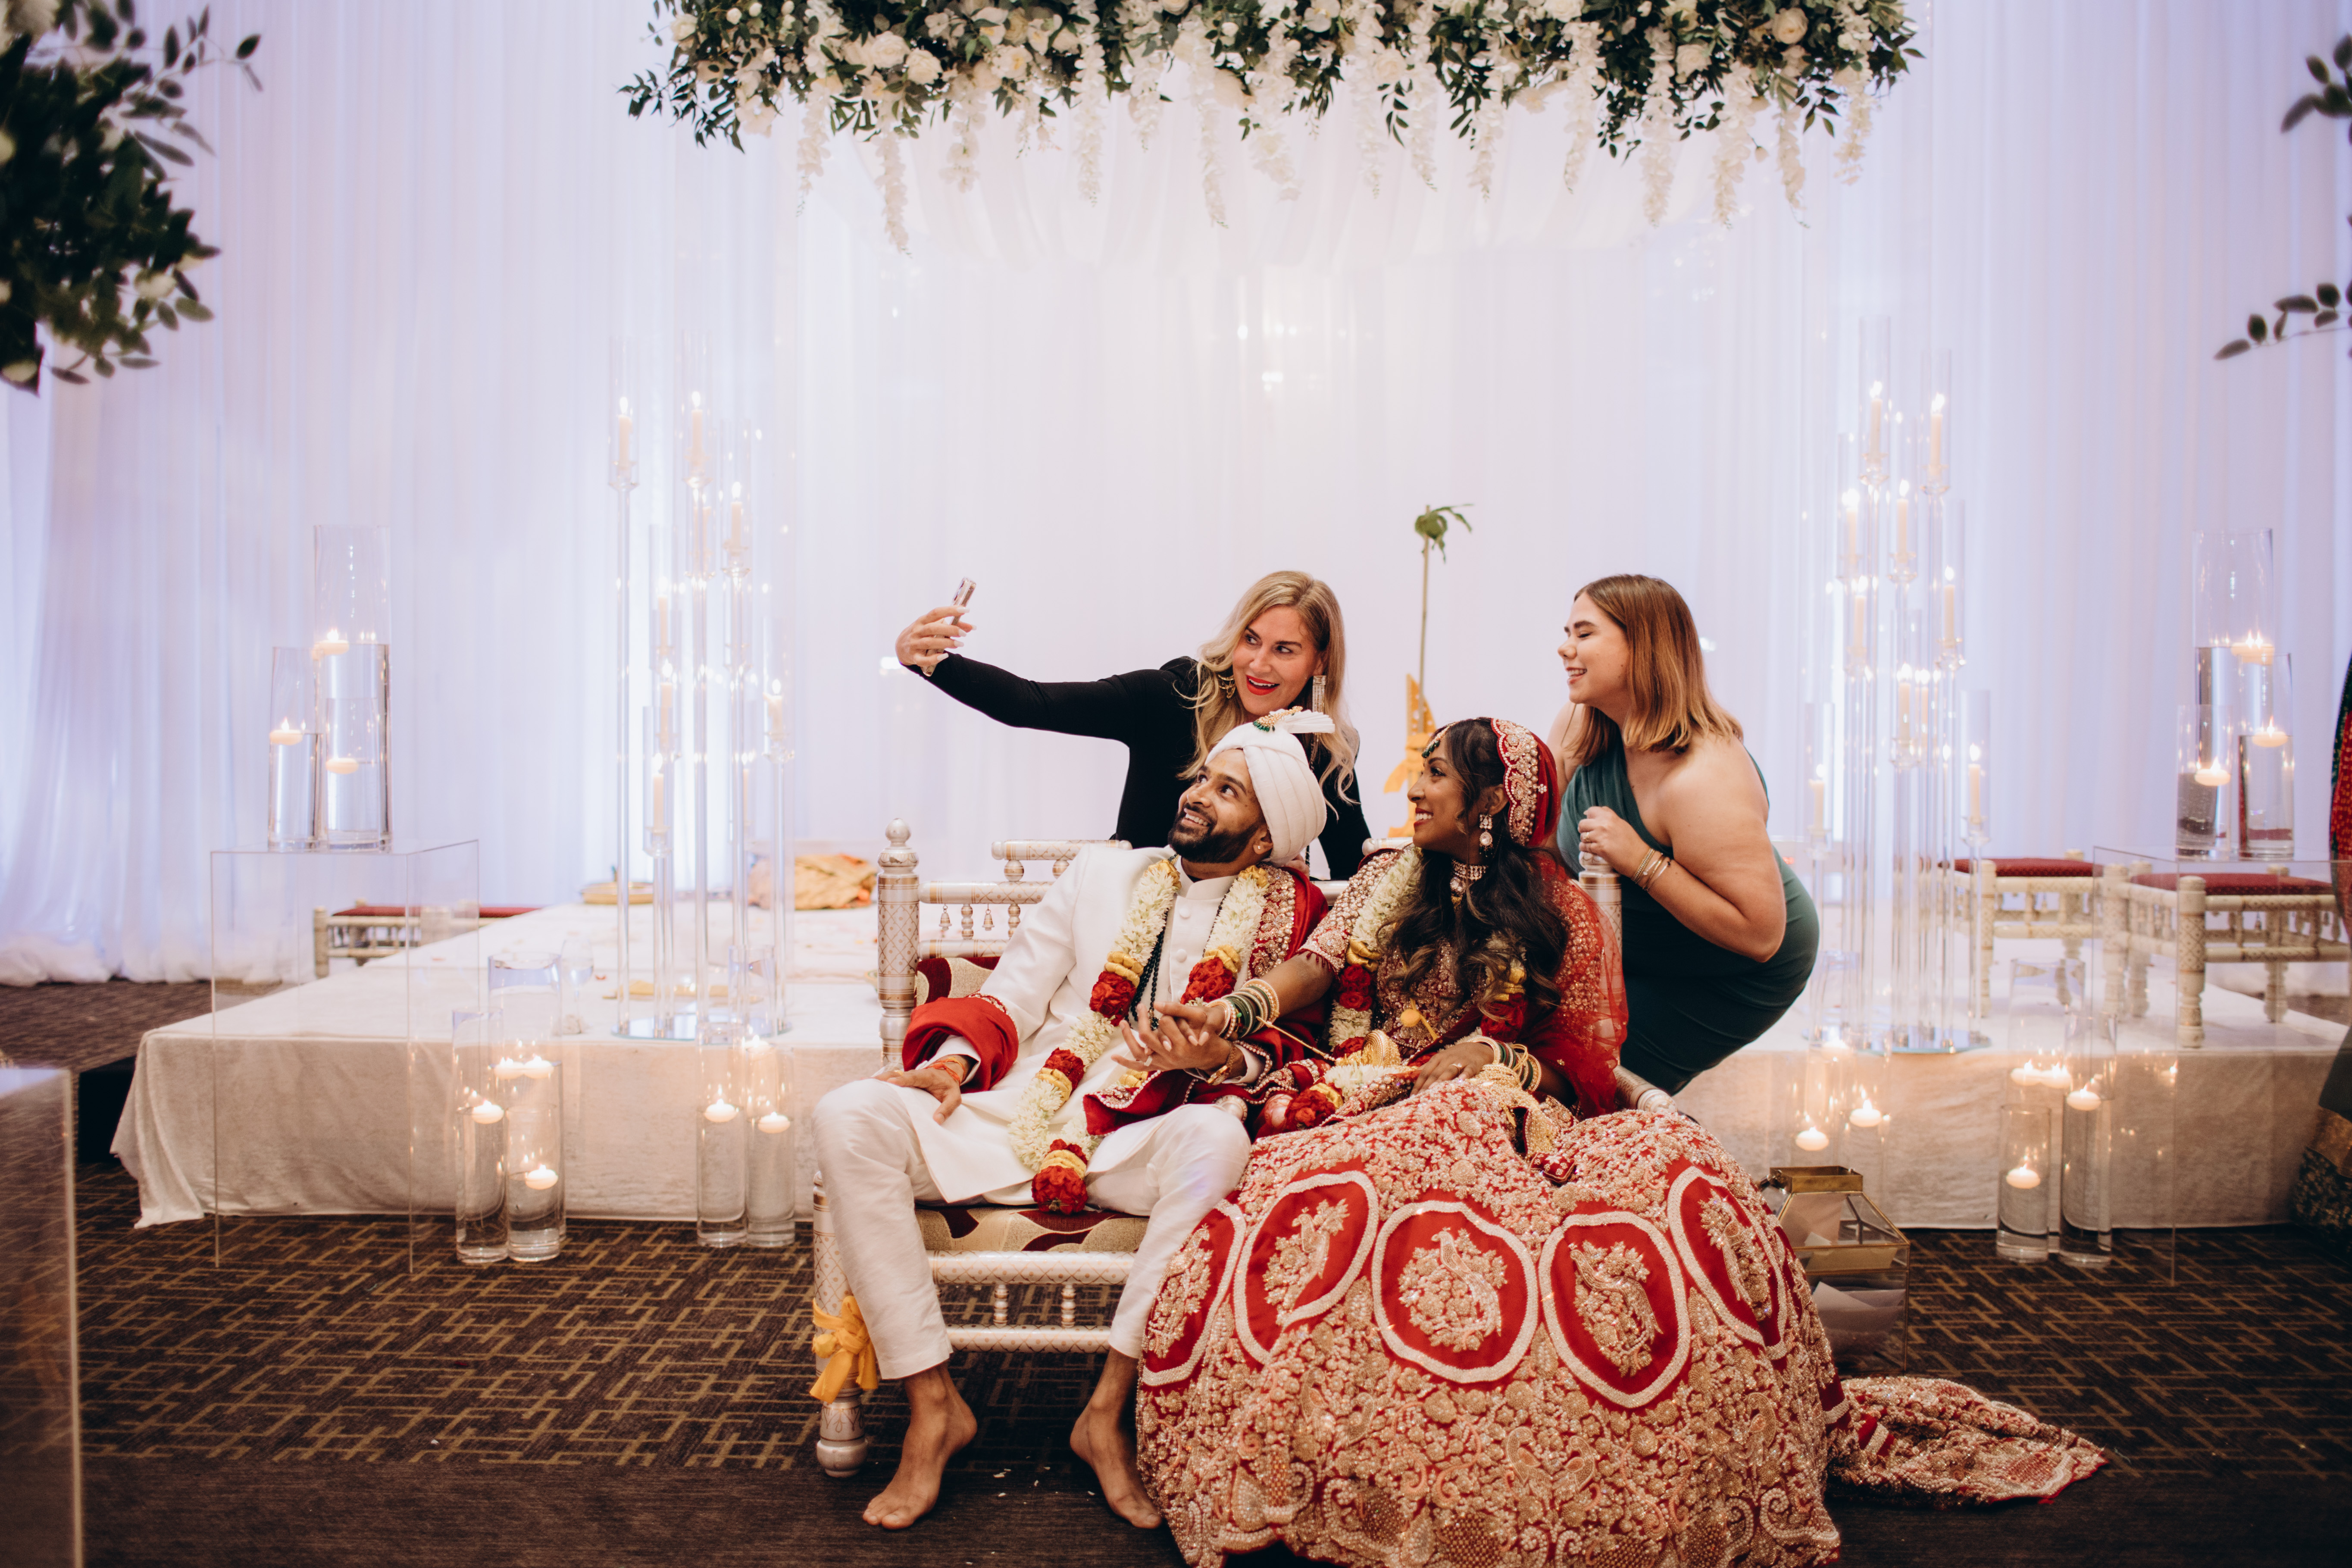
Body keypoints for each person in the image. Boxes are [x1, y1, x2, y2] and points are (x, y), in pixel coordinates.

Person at [1133, 718, 2106, 1566]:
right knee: (1368, 1177)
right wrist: (1234, 1010)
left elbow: (1585, 1059)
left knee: (1660, 1180)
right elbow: (1315, 966)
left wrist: (1499, 1061)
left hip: (1512, 1110)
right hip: (1366, 1091)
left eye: (1435, 773)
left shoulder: (1558, 909)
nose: (1414, 787)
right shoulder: (1390, 874)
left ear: (1490, 803)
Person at [810, 712, 1337, 1532]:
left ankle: (1105, 1412)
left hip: (1148, 1128)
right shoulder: (1101, 875)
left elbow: (1293, 1046)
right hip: (1019, 1108)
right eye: (1202, 777)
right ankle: (933, 1404)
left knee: (1217, 1142)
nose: (1197, 794)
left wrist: (1221, 1060)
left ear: (1266, 836)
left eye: (1226, 790)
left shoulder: (1292, 915)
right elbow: (1012, 992)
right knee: (848, 1114)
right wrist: (953, 1065)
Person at [894, 570, 1374, 876]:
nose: (1258, 663)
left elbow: (1352, 869)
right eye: (1251, 640)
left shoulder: (1326, 747)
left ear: (1319, 661)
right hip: (1137, 927)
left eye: (1284, 650)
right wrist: (930, 662)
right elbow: (1031, 703)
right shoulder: (1170, 697)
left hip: (1253, 950)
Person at [1548, 573, 1821, 1094]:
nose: (1565, 648)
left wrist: (1640, 861)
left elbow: (1760, 935)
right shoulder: (1579, 724)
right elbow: (1541, 841)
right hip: (1629, 950)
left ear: (1642, 646)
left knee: (1585, 1086)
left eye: (1584, 633)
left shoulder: (1704, 776)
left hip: (1726, 973)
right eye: (1567, 633)